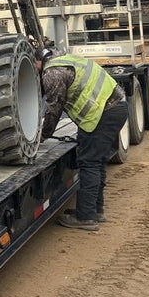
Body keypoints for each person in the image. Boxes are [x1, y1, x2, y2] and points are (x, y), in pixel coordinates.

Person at [37, 49, 128, 231]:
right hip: (116, 107)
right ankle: (95, 210)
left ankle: (86, 217)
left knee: (89, 163)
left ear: (37, 61)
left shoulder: (52, 73)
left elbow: (54, 110)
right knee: (97, 162)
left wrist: (42, 135)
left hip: (102, 113)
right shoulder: (66, 59)